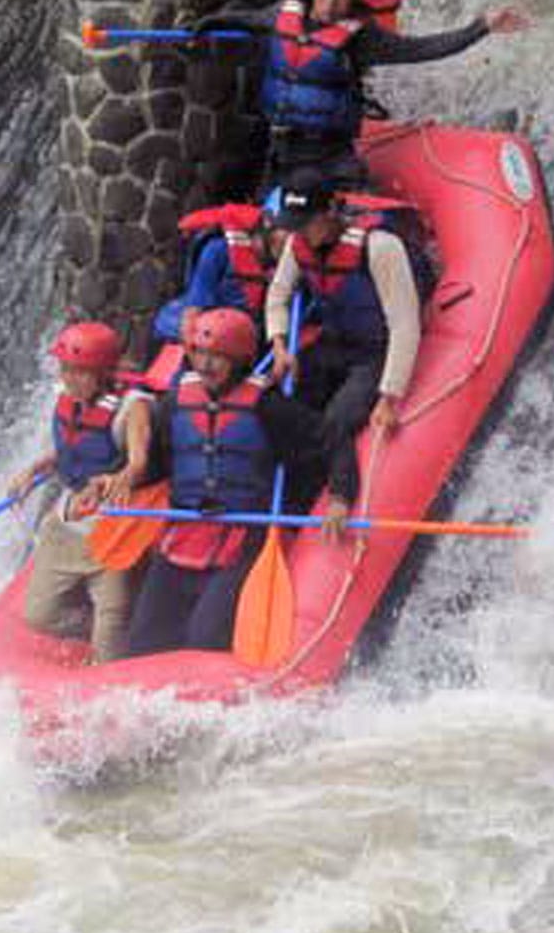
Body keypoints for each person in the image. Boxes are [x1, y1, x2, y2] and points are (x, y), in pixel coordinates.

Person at [181, 0, 529, 192]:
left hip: (331, 155)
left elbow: (425, 49)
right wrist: (205, 24)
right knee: (272, 234)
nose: (331, 3)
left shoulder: (362, 39)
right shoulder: (280, 16)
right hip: (279, 153)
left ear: (353, 1)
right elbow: (241, 20)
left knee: (343, 232)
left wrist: (481, 25)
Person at [127, 308, 357, 656]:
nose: (205, 365)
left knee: (204, 640)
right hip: (182, 536)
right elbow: (158, 466)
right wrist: (122, 478)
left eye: (217, 357)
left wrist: (341, 497)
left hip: (244, 539)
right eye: (200, 354)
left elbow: (333, 440)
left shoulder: (268, 406)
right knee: (140, 645)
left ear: (240, 359)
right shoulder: (174, 404)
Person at [265, 166, 424, 537]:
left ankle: (340, 496)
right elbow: (278, 295)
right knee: (276, 403)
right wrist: (278, 344)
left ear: (328, 214)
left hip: (376, 351)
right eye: (293, 223)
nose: (297, 231)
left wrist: (389, 397)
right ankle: (299, 487)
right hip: (336, 343)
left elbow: (405, 326)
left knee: (339, 417)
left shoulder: (380, 248)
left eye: (305, 222)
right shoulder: (297, 245)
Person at [9, 322, 153, 662]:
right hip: (70, 522)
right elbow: (73, 450)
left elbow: (139, 462)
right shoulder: (67, 401)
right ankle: (90, 628)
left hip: (113, 528)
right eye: (66, 370)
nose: (71, 379)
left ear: (103, 372)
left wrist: (116, 479)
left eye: (81, 372)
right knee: (38, 617)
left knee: (112, 625)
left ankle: (110, 647)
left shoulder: (133, 408)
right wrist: (34, 469)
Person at [152, 201, 287, 344]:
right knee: (166, 320)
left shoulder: (288, 262)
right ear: (256, 232)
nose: (283, 246)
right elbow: (193, 311)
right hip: (213, 325)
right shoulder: (217, 251)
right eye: (274, 240)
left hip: (250, 330)